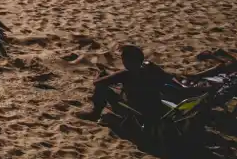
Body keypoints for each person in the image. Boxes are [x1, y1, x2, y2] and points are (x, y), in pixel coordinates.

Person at [78, 45, 207, 123]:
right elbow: (168, 78)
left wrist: (98, 75)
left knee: (102, 87)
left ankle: (95, 114)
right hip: (155, 107)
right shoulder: (151, 68)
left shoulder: (126, 74)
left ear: (127, 60)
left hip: (136, 109)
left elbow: (97, 83)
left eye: (123, 59)